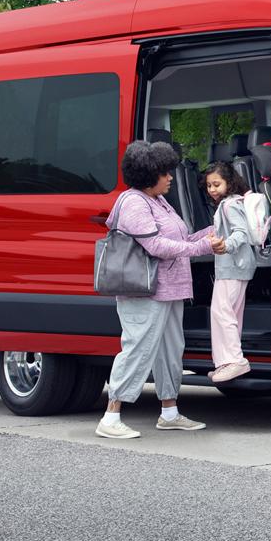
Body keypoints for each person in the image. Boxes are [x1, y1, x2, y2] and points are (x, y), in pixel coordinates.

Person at [97, 140, 225, 440]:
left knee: (170, 351)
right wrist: (202, 246)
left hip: (169, 289)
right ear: (147, 174)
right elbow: (155, 245)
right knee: (138, 349)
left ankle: (169, 412)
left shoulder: (158, 200)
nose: (170, 177)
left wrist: (209, 231)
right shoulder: (133, 202)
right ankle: (111, 415)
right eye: (165, 173)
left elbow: (180, 238)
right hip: (145, 290)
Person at [204, 162, 271, 383]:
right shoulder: (231, 202)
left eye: (217, 184)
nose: (212, 189)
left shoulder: (229, 205)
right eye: (209, 185)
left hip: (232, 265)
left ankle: (234, 360)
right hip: (237, 266)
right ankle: (226, 362)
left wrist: (226, 245)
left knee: (221, 312)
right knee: (230, 313)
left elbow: (240, 232)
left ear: (229, 183)